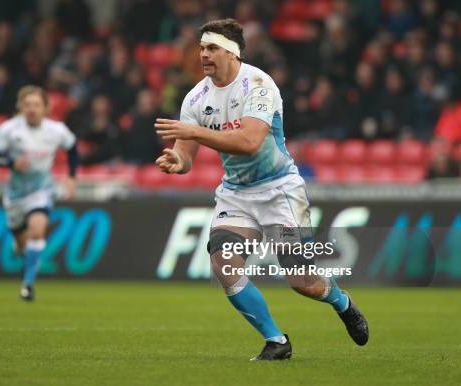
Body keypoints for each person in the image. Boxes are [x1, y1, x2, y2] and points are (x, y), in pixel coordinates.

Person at [154, 19, 368, 361]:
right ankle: (276, 340)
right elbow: (185, 154)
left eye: (212, 48)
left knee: (303, 283)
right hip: (236, 195)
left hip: (279, 192)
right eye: (202, 48)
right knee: (224, 264)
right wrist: (176, 161)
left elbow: (250, 142)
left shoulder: (258, 85)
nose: (203, 54)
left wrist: (193, 134)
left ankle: (342, 303)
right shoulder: (196, 97)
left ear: (232, 52)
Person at [0, 86, 78, 301]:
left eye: (36, 105)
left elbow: (73, 148)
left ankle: (27, 285)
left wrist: (71, 177)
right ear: (20, 107)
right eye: (27, 105)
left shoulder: (56, 130)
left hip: (42, 190)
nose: (32, 109)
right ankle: (24, 253)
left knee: (38, 230)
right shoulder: (9, 129)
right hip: (15, 195)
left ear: (45, 108)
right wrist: (12, 163)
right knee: (22, 244)